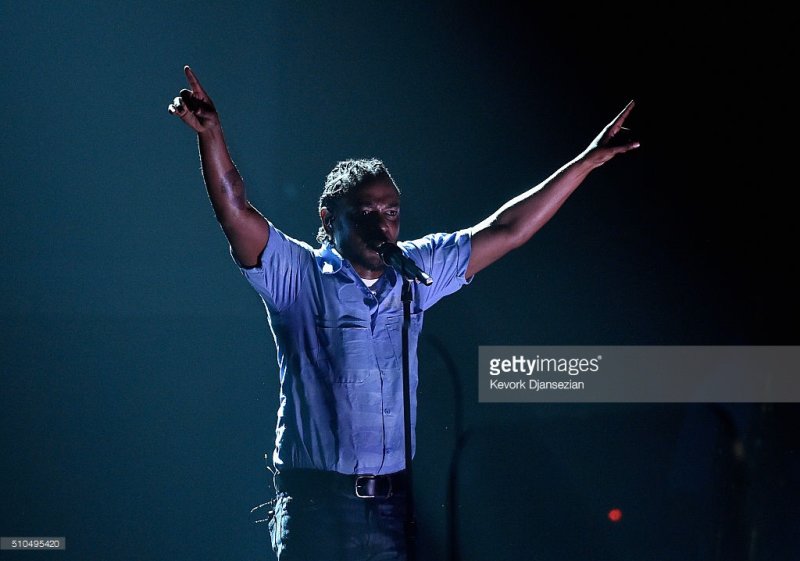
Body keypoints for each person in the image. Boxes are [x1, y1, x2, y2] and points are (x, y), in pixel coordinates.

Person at [168, 65, 638, 560]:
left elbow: (508, 229)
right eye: (366, 213)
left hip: (394, 505)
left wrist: (586, 163)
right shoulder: (299, 277)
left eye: (391, 212)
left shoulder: (413, 273)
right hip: (318, 507)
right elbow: (235, 210)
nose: (383, 224)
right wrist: (212, 135)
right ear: (330, 217)